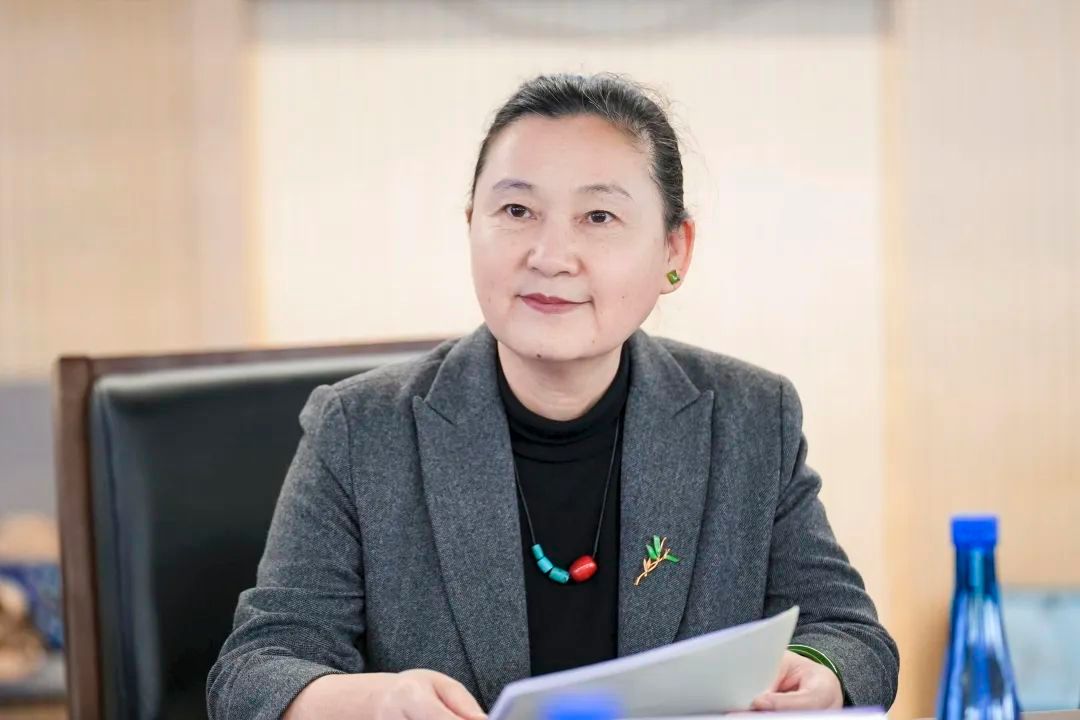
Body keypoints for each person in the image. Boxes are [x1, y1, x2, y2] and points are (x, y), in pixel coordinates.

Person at [207, 73, 899, 720]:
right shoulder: (362, 430)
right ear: (471, 225)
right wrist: (375, 700)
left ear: (674, 252)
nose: (550, 255)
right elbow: (252, 671)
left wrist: (817, 671)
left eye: (598, 216)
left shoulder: (750, 418)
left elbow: (850, 635)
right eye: (517, 210)